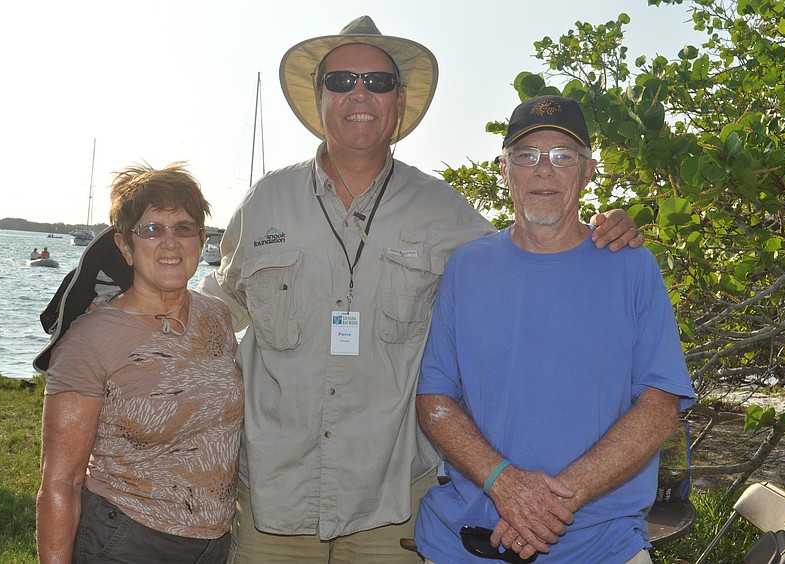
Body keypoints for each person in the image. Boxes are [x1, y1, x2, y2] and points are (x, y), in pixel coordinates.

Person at [199, 17, 644, 563]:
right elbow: (213, 312)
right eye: (341, 81)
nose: (359, 93)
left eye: (377, 81)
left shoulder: (445, 210)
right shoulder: (265, 200)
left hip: (392, 500)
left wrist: (604, 231)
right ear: (320, 98)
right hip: (273, 495)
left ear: (399, 100)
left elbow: (532, 256)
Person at [413, 95, 697, 563]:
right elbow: (434, 399)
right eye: (526, 155)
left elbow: (660, 406)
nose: (543, 170)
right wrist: (504, 483)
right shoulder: (466, 267)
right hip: (463, 545)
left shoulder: (631, 266)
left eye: (563, 156)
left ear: (587, 172)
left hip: (602, 549)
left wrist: (544, 504)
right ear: (504, 170)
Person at [35, 163, 244, 564]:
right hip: (127, 541)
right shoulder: (90, 339)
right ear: (125, 247)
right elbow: (61, 482)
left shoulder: (216, 316)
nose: (170, 242)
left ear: (202, 239)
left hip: (215, 543)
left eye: (184, 227)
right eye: (151, 229)